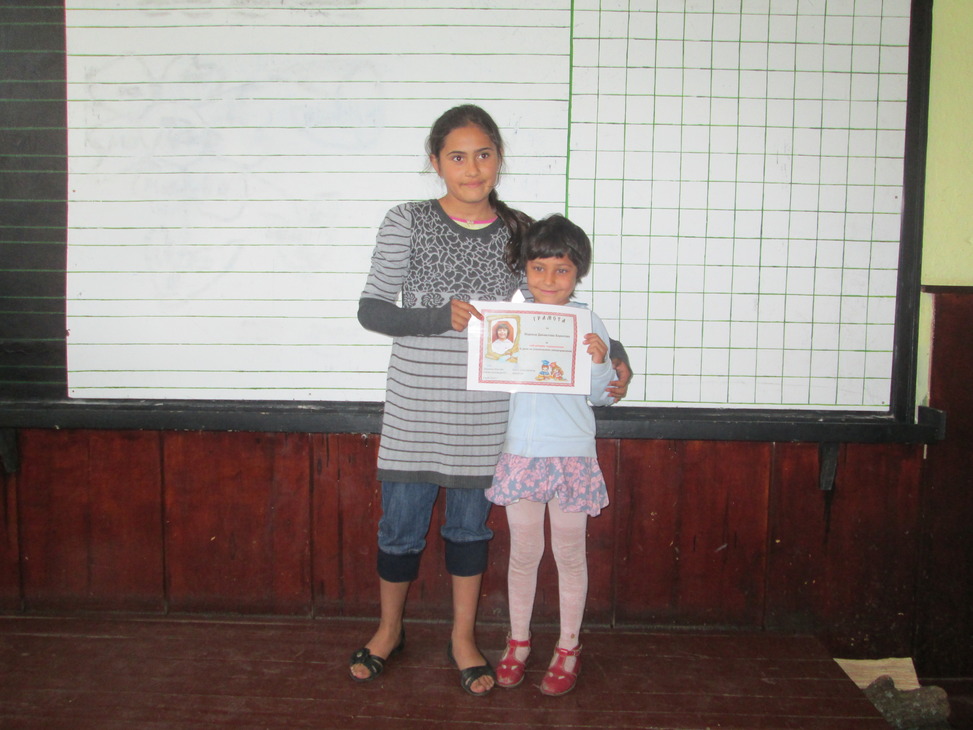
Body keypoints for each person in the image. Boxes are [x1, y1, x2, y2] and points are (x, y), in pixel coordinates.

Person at [350, 104, 631, 696]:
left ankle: (463, 638)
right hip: (415, 406)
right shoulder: (405, 219)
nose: (472, 168)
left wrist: (616, 352)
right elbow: (371, 310)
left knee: (468, 532)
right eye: (457, 156)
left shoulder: (518, 229)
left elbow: (558, 308)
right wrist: (436, 316)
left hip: (488, 415)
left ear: (499, 158)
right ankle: (388, 630)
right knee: (399, 529)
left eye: (484, 154)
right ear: (435, 162)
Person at [485, 214, 614, 697]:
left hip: (572, 455)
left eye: (562, 269)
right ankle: (518, 641)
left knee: (569, 554)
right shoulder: (509, 321)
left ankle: (568, 646)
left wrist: (600, 363)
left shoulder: (589, 322)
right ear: (525, 269)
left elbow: (600, 396)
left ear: (578, 272)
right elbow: (493, 383)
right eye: (539, 268)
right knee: (524, 553)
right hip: (521, 453)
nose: (550, 279)